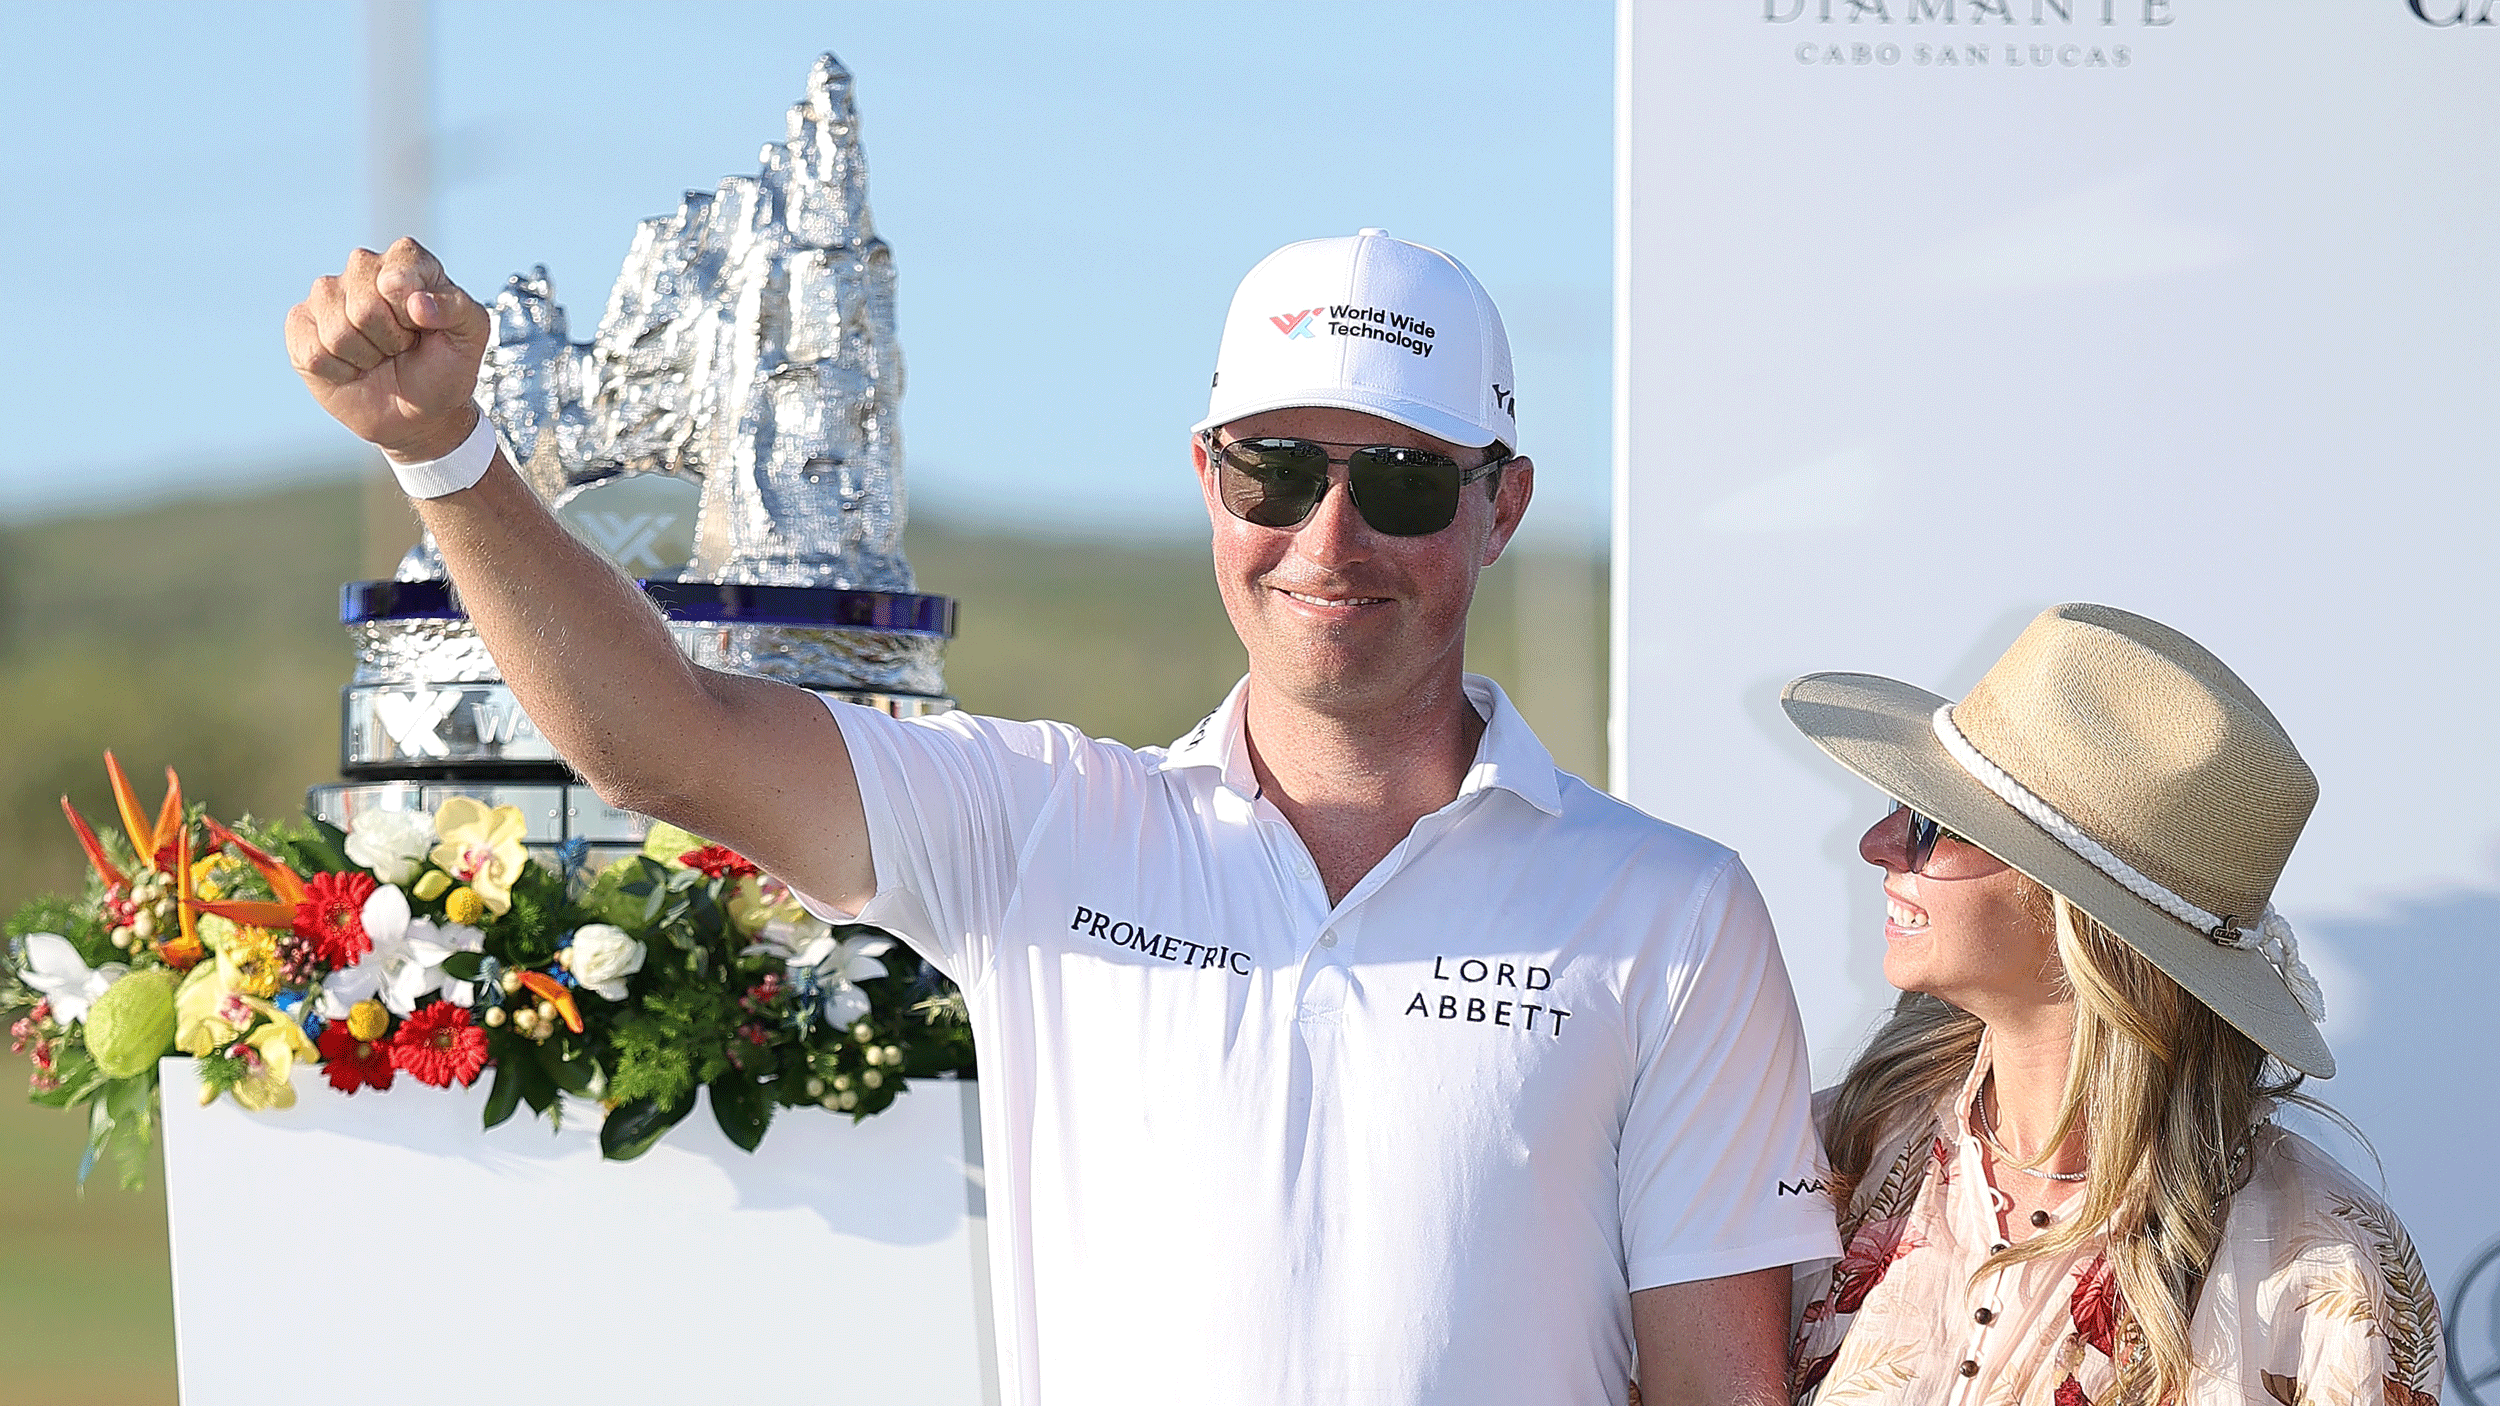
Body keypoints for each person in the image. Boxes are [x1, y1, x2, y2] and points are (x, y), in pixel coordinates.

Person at [285, 228, 1839, 1405]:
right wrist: (449, 454)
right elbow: (664, 747)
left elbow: (1721, 1391)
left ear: (1501, 508)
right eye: (1277, 470)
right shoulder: (1047, 822)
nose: (1330, 535)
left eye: (1409, 486)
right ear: (1207, 479)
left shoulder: (1670, 911)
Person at [1779, 603, 2441, 1405]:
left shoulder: (2327, 1270)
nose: (1876, 844)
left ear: (2076, 915)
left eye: (1934, 822)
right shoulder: (1825, 1161)